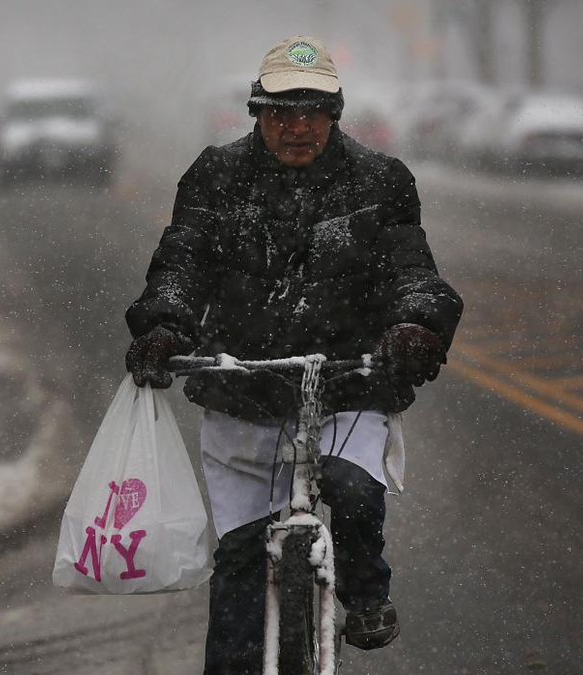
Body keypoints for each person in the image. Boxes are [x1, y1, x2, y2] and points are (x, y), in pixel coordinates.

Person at [125, 36, 463, 674]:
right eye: (282, 111)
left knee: (352, 492)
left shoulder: (381, 182)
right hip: (241, 392)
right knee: (240, 568)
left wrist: (416, 327)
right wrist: (164, 328)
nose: (298, 126)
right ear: (257, 113)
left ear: (336, 115)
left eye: (313, 111)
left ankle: (365, 595)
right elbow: (182, 262)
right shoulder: (216, 177)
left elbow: (412, 272)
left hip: (348, 388)